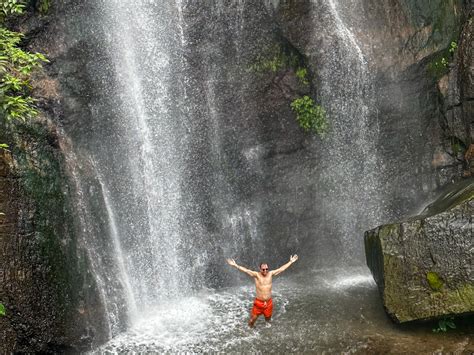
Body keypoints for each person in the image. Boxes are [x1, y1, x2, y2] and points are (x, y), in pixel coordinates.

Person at [226, 255, 299, 327]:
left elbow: (281, 269)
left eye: (266, 269)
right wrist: (235, 265)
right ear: (260, 269)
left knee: (268, 319)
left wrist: (291, 262)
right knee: (252, 321)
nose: (265, 271)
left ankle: (268, 329)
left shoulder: (270, 274)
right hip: (259, 303)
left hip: (268, 303)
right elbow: (246, 270)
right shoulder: (256, 275)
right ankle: (250, 332)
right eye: (263, 269)